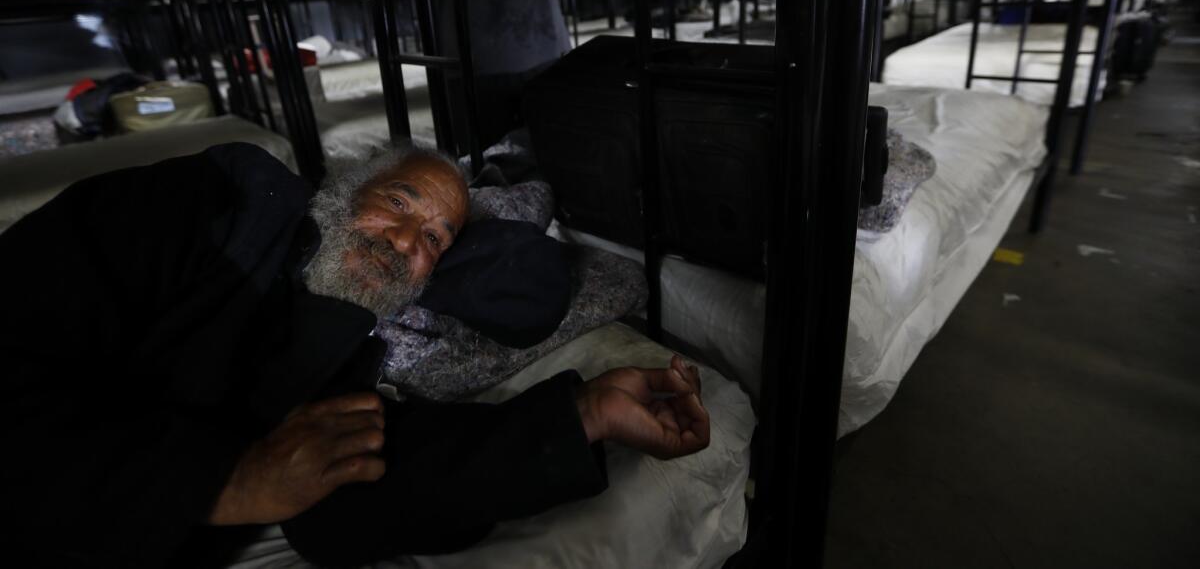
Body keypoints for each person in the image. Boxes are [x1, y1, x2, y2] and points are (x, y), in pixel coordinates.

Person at [0, 142, 710, 567]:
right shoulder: (215, 202)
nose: (406, 241)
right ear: (342, 190)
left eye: (434, 240)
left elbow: (365, 479)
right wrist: (225, 480)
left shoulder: (342, 345)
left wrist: (585, 412)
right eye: (399, 202)